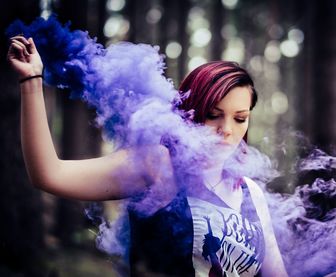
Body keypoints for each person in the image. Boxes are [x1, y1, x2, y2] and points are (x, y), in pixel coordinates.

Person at [7, 35, 289, 276]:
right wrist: (32, 80)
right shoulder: (159, 163)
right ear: (189, 113)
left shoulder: (251, 193)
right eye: (213, 115)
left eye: (240, 118)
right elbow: (49, 174)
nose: (226, 130)